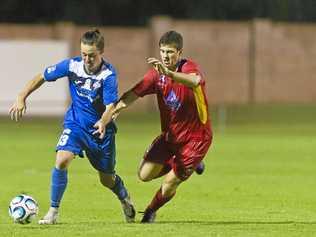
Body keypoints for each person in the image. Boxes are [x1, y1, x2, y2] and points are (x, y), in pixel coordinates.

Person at [9, 29, 136, 224]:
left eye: (92, 55)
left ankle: (124, 198)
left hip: (101, 132)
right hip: (75, 124)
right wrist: (21, 96)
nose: (87, 59)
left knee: (107, 179)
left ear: (101, 52)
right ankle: (53, 212)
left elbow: (111, 106)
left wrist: (103, 122)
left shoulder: (108, 75)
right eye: (84, 54)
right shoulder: (72, 65)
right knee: (62, 159)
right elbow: (42, 76)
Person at [103, 30, 212, 223]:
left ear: (179, 52)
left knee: (170, 183)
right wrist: (114, 111)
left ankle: (151, 211)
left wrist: (171, 74)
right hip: (171, 137)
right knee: (144, 175)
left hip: (195, 140)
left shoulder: (188, 68)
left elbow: (195, 81)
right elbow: (134, 93)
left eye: (170, 52)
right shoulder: (156, 75)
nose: (165, 56)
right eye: (162, 51)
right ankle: (188, 165)